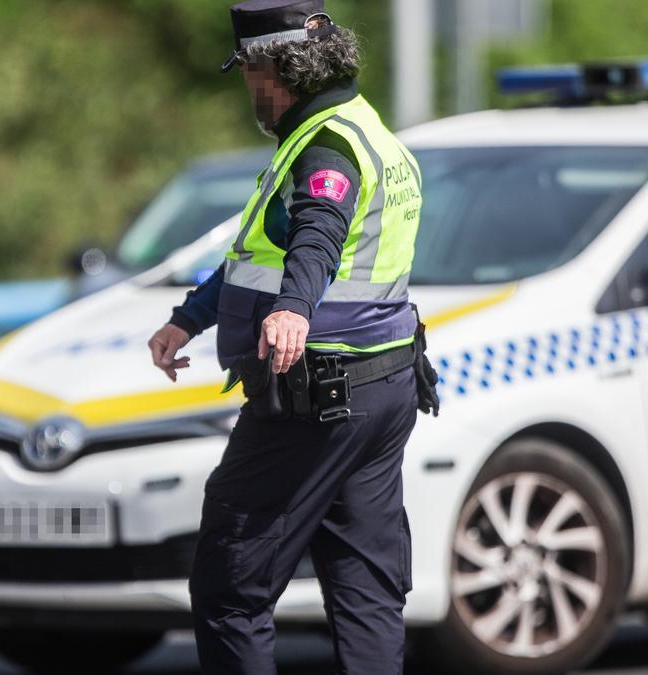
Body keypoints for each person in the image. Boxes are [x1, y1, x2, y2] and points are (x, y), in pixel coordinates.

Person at [146, 1, 433, 672]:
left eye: (250, 72)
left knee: (229, 587)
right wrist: (189, 317)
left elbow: (317, 235)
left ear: (280, 67)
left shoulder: (327, 148)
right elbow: (262, 255)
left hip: (315, 398)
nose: (250, 89)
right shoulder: (369, 132)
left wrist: (295, 309)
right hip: (380, 388)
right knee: (366, 592)